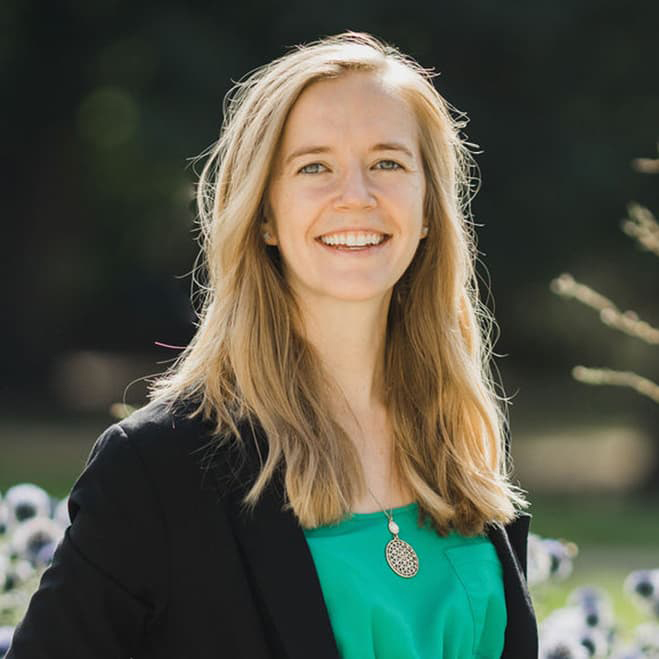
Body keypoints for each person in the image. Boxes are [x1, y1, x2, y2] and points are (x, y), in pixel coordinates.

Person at [7, 31, 539, 658]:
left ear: (427, 209)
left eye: (388, 163)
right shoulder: (157, 467)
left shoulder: (458, 444)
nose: (357, 196)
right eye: (315, 166)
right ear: (262, 214)